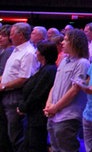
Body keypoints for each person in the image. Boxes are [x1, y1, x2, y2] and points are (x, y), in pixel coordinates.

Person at [44, 29, 90, 152]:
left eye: (66, 40)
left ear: (75, 42)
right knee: (54, 148)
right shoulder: (64, 60)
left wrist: (56, 107)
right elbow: (55, 84)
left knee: (67, 148)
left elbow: (75, 90)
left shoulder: (83, 63)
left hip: (68, 115)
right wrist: (49, 104)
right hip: (54, 114)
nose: (62, 42)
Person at [0, 23, 38, 152]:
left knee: (16, 135)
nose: (10, 37)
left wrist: (4, 86)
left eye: (11, 34)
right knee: (7, 134)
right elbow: (9, 74)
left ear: (20, 35)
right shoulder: (16, 50)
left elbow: (25, 78)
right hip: (7, 94)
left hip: (16, 96)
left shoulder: (28, 53)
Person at [16, 41, 58, 152]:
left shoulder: (49, 70)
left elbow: (37, 93)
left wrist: (23, 107)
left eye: (37, 51)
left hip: (39, 116)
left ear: (43, 54)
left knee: (35, 146)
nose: (35, 53)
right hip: (33, 115)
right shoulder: (43, 69)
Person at [0, 24, 13, 152]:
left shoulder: (9, 51)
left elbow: (3, 75)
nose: (0, 38)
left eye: (3, 36)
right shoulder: (5, 51)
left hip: (6, 94)